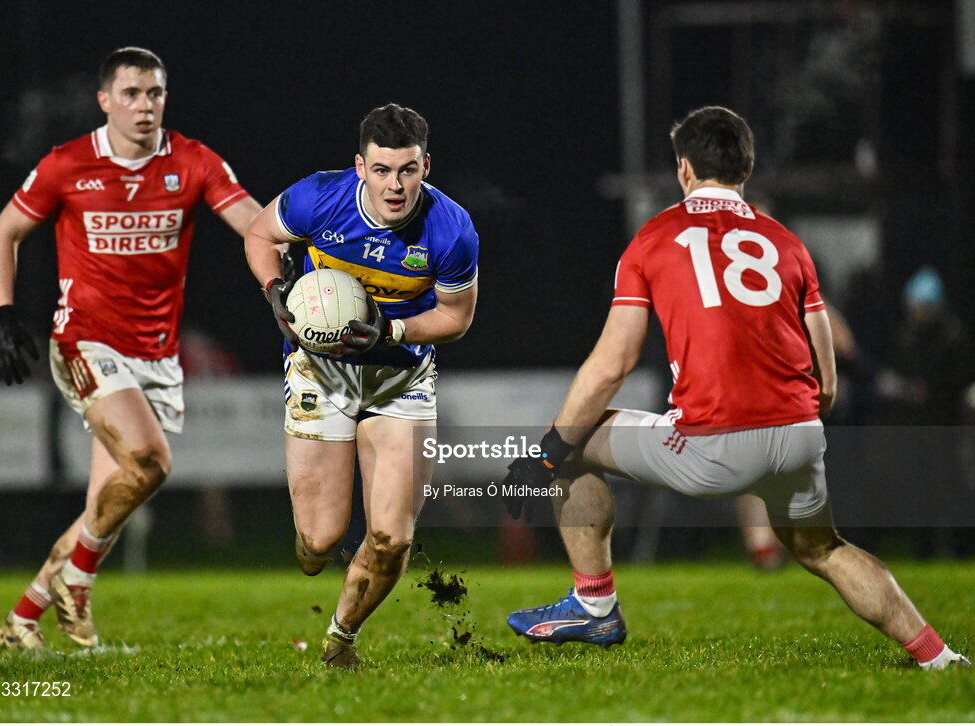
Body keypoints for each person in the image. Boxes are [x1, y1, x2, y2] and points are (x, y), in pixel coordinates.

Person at [500, 106, 969, 671]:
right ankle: (938, 656)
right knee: (824, 548)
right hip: (797, 434)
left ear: (684, 170)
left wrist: (545, 454)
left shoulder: (655, 237)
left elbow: (610, 366)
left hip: (715, 442)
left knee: (571, 444)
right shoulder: (787, 243)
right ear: (746, 168)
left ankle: (595, 605)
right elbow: (828, 378)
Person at [0, 47, 262, 650]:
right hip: (85, 341)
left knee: (105, 508)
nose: (144, 106)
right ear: (105, 100)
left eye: (155, 94)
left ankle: (22, 620)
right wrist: (4, 313)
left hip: (156, 357)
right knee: (152, 461)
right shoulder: (68, 164)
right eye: (131, 94)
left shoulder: (191, 161)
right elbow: (4, 232)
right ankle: (76, 586)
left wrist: (290, 267)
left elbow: (254, 223)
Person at [244, 103, 478, 668]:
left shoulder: (451, 229)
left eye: (407, 170)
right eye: (381, 170)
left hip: (401, 378)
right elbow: (258, 233)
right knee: (320, 544)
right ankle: (314, 544)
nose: (394, 185)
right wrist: (276, 287)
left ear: (427, 165)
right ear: (359, 166)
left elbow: (456, 318)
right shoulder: (319, 198)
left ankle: (341, 638)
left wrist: (391, 328)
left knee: (393, 536)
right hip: (320, 372)